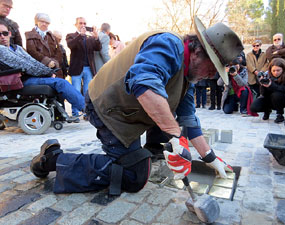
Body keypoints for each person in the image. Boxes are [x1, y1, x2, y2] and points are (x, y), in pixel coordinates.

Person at [30, 16, 244, 195]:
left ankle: (151, 151)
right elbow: (144, 82)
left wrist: (209, 157)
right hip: (108, 107)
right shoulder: (168, 44)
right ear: (199, 52)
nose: (213, 75)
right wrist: (177, 138)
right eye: (214, 67)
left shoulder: (188, 73)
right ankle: (53, 158)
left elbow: (188, 119)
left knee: (170, 133)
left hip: (134, 106)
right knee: (133, 176)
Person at [0, 21, 84, 121]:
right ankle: (89, 109)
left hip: (30, 77)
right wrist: (47, 73)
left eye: (5, 33)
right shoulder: (1, 50)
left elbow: (33, 62)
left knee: (57, 81)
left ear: (9, 34)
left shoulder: (17, 48)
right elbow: (24, 65)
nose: (2, 36)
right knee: (61, 83)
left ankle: (60, 115)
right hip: (19, 81)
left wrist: (49, 71)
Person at [66, 17, 101, 117]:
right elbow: (71, 45)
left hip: (88, 69)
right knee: (75, 91)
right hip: (76, 68)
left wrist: (96, 37)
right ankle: (75, 113)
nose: (83, 25)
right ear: (76, 24)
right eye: (80, 23)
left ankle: (87, 113)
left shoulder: (89, 38)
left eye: (85, 23)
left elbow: (98, 48)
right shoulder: (71, 36)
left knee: (87, 92)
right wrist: (80, 35)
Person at [250, 58, 285, 123]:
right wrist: (262, 84)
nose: (276, 73)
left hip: (283, 98)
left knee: (277, 94)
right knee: (254, 107)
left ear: (283, 69)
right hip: (268, 98)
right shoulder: (267, 75)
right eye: (274, 70)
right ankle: (267, 110)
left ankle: (280, 114)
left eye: (278, 70)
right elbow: (263, 94)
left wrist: (271, 85)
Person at [25, 13, 63, 78]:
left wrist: (54, 62)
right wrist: (47, 61)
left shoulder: (52, 36)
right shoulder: (30, 35)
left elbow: (59, 51)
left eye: (47, 22)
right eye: (42, 21)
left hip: (55, 69)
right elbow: (32, 52)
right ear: (37, 22)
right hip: (39, 69)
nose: (44, 24)